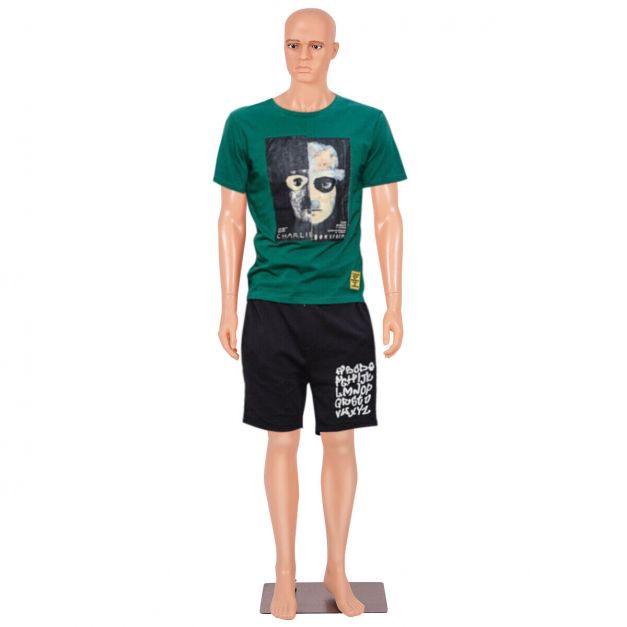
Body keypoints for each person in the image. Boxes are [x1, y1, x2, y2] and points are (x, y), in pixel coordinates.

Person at [213, 7, 407, 619]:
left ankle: (337, 570)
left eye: (315, 46)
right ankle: (285, 571)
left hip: (343, 312)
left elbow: (389, 216)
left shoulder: (367, 123)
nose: (303, 56)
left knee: (341, 442)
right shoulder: (245, 124)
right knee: (281, 441)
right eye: (293, 44)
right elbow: (228, 220)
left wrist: (395, 301)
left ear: (334, 51)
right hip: (271, 309)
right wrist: (226, 305)